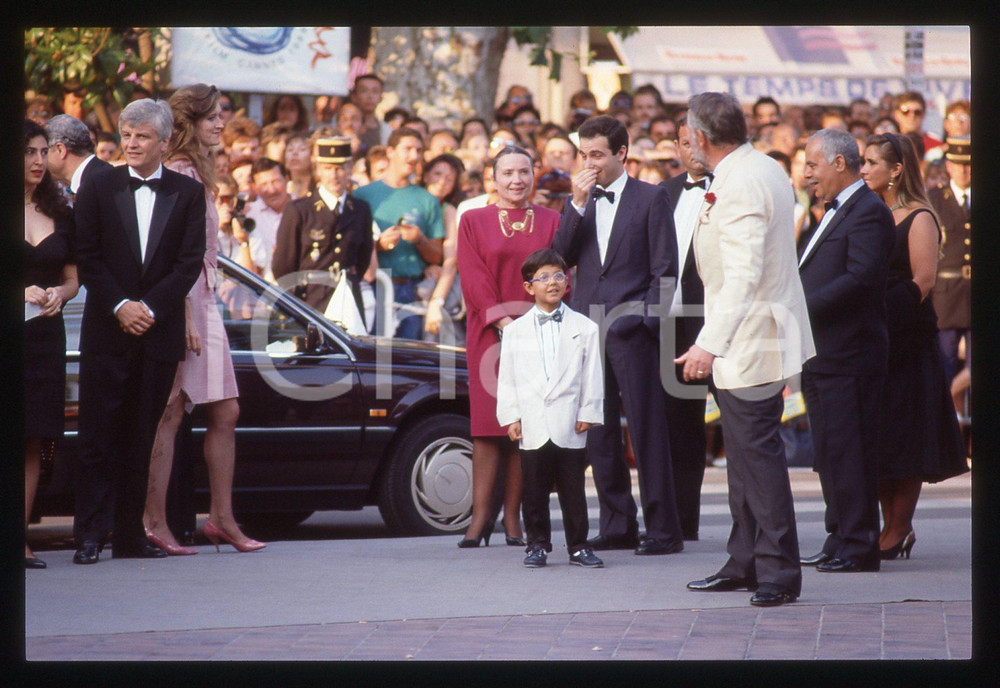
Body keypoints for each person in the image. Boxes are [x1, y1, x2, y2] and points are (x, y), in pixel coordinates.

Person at [679, 92, 814, 607]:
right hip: (752, 335)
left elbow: (743, 275)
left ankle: (778, 571)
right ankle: (746, 560)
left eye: (688, 134)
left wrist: (708, 345)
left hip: (751, 338)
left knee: (757, 458)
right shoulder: (758, 168)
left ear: (702, 137)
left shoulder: (742, 181)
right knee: (742, 458)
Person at [72, 98, 207, 564]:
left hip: (158, 332)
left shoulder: (188, 193)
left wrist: (148, 308)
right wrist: (120, 305)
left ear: (164, 142)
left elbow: (189, 263)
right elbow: (87, 255)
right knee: (97, 435)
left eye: (142, 136)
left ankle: (130, 536)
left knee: (141, 437)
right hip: (107, 331)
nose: (131, 143)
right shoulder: (98, 185)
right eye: (126, 135)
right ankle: (90, 535)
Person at [552, 115, 684, 556]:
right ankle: (617, 524)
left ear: (621, 153)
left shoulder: (651, 198)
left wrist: (644, 321)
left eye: (597, 155)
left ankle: (664, 529)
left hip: (635, 333)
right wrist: (575, 204)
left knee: (647, 431)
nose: (588, 163)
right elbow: (559, 258)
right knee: (600, 432)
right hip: (588, 330)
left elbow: (665, 270)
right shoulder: (581, 201)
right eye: (583, 155)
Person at [143, 83, 265, 556]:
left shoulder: (197, 169)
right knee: (171, 410)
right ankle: (153, 521)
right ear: (188, 122)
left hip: (205, 299)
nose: (220, 123)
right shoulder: (177, 171)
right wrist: (185, 314)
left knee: (225, 410)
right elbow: (172, 254)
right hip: (185, 302)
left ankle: (220, 518)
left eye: (220, 115)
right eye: (211, 116)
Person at [860, 133, 968, 559]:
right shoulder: (870, 211)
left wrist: (878, 310)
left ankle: (899, 526)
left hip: (906, 337)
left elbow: (922, 281)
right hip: (872, 338)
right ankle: (888, 526)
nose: (863, 169)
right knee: (881, 435)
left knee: (906, 435)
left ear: (896, 170)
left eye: (871, 162)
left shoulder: (919, 215)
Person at [796, 128, 895, 574]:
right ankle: (839, 536)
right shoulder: (833, 211)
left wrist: (800, 307)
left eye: (812, 164)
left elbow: (860, 278)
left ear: (839, 163)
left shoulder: (869, 211)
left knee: (851, 451)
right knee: (830, 452)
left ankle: (859, 544)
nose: (806, 174)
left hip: (851, 354)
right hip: (822, 354)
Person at [455, 145, 561, 548]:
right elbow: (472, 276)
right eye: (507, 173)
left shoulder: (551, 219)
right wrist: (502, 321)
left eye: (523, 172)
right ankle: (480, 517)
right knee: (487, 427)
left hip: (538, 330)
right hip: (489, 331)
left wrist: (531, 324)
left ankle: (513, 517)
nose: (516, 180)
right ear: (493, 178)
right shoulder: (473, 219)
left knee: (525, 425)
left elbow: (556, 275)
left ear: (534, 175)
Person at [496, 248, 605, 568]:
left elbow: (592, 374)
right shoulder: (514, 331)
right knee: (534, 488)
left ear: (567, 282)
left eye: (559, 276)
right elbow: (507, 377)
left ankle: (579, 546)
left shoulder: (585, 327)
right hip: (533, 419)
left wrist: (588, 412)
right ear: (529, 287)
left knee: (573, 488)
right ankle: (537, 544)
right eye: (543, 278)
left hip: (569, 419)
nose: (552, 283)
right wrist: (511, 416)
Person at [24, 119, 79, 568]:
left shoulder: (60, 209)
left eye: (44, 152)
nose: (38, 161)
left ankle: (18, 538)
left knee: (33, 437)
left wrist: (61, 293)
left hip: (45, 337)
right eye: (28, 152)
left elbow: (73, 278)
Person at [658, 118, 711, 542]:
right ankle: (681, 521)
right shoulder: (663, 193)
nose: (692, 150)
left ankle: (753, 524)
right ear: (677, 147)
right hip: (670, 323)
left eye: (697, 141)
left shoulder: (731, 189)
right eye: (684, 143)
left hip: (718, 320)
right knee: (680, 424)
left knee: (738, 423)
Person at [353, 127, 444, 339]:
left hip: (410, 290)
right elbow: (350, 249)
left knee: (407, 355)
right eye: (407, 149)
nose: (414, 156)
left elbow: (437, 256)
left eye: (418, 150)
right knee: (372, 354)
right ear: (390, 151)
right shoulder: (363, 195)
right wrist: (377, 246)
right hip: (372, 287)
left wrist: (420, 239)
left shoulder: (427, 199)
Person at [272, 136, 373, 317]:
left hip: (348, 302)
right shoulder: (300, 210)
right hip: (310, 303)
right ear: (318, 169)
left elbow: (362, 260)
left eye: (340, 168)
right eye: (328, 168)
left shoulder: (360, 209)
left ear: (350, 168)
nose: (334, 175)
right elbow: (282, 267)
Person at [928, 137, 971, 383]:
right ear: (948, 166)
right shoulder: (935, 199)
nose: (964, 170)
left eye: (968, 165)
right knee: (944, 365)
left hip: (978, 294)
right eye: (958, 165)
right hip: (946, 296)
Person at [420, 153, 467, 345]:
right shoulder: (412, 200)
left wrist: (437, 302)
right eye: (437, 174)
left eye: (449, 179)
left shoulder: (448, 210)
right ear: (426, 176)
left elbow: (451, 260)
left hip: (437, 286)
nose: (442, 182)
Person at [244, 157, 292, 283]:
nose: (271, 190)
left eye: (275, 181)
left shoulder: (304, 209)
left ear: (287, 179)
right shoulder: (249, 215)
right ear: (254, 187)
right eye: (263, 185)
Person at [44, 114, 112, 201]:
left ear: (60, 150)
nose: (40, 160)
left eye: (44, 152)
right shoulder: (95, 178)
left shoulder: (100, 183)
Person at [893, 91, 942, 156]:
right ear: (896, 115)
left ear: (924, 114)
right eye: (905, 112)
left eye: (917, 112)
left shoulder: (936, 146)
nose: (912, 116)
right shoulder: (890, 145)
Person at [351, 74, 390, 150]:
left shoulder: (387, 131)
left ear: (381, 97)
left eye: (375, 91)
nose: (370, 96)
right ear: (354, 96)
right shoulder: (345, 126)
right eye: (364, 91)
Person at [283, 131, 314, 200]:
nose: (294, 153)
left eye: (302, 149)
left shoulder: (320, 188)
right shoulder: (283, 189)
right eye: (290, 150)